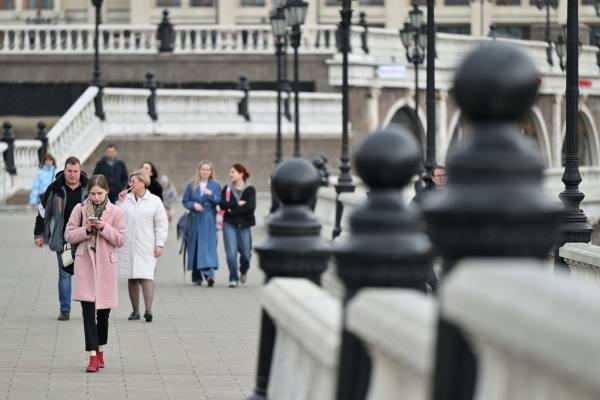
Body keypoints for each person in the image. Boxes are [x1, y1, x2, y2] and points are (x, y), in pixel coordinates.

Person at [64, 175, 126, 373]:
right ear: (88, 193)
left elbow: (121, 239)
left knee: (104, 314)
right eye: (93, 193)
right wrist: (86, 229)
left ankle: (100, 350)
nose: (97, 197)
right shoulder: (79, 209)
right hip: (85, 265)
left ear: (107, 191)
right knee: (88, 313)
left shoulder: (116, 212)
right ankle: (91, 356)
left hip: (106, 267)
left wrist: (104, 227)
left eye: (100, 193)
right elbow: (69, 234)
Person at [34, 156, 88, 321]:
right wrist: (39, 234)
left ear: (80, 171)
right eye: (69, 171)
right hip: (64, 238)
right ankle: (65, 310)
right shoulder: (55, 188)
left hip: (85, 238)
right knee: (65, 274)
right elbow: (43, 212)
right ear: (64, 171)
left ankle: (89, 308)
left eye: (75, 171)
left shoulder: (89, 187)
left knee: (85, 274)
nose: (72, 175)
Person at [117, 169, 168, 323]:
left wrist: (160, 244)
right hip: (128, 245)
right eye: (130, 181)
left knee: (146, 276)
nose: (130, 184)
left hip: (147, 245)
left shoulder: (155, 201)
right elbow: (115, 218)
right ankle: (135, 311)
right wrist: (120, 202)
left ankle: (148, 310)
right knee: (132, 277)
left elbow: (161, 224)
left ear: (143, 183)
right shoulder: (125, 200)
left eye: (134, 181)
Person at [182, 161, 221, 287]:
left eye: (207, 170)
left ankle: (209, 274)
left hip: (208, 219)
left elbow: (219, 200)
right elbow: (185, 201)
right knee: (194, 246)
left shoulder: (215, 185)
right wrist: (193, 205)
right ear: (199, 170)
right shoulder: (192, 184)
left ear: (211, 171)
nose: (205, 172)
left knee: (206, 247)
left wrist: (211, 195)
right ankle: (196, 275)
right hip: (194, 219)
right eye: (203, 169)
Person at [219, 163, 256, 288]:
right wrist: (237, 204)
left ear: (241, 174)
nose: (230, 174)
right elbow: (222, 204)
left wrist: (232, 210)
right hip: (229, 224)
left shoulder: (250, 189)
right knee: (231, 254)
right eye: (230, 172)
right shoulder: (227, 189)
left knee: (246, 254)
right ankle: (233, 278)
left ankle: (243, 270)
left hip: (245, 225)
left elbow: (251, 207)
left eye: (233, 172)